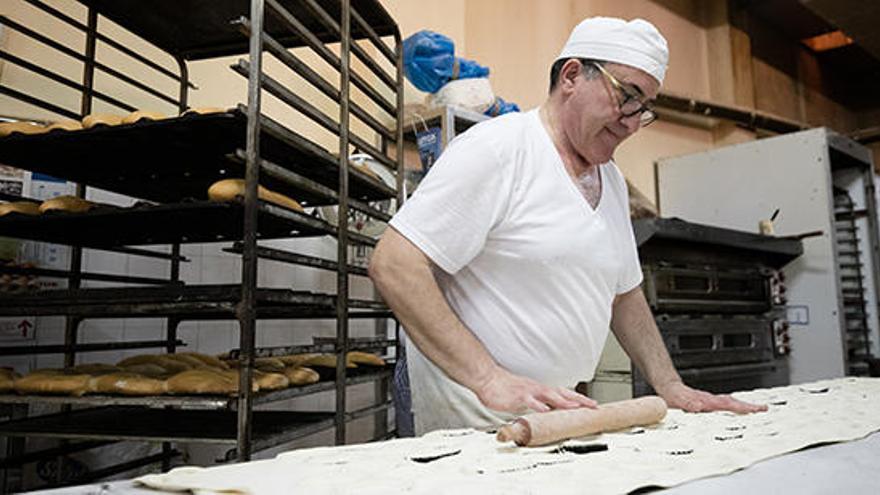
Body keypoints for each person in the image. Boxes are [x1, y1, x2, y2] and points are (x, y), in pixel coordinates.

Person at [370, 17, 766, 435]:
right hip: (472, 423)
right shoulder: (501, 148)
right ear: (572, 75)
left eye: (644, 107)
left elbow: (624, 294)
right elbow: (395, 264)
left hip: (552, 418)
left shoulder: (609, 179)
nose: (632, 121)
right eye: (627, 95)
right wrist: (487, 378)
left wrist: (670, 385)